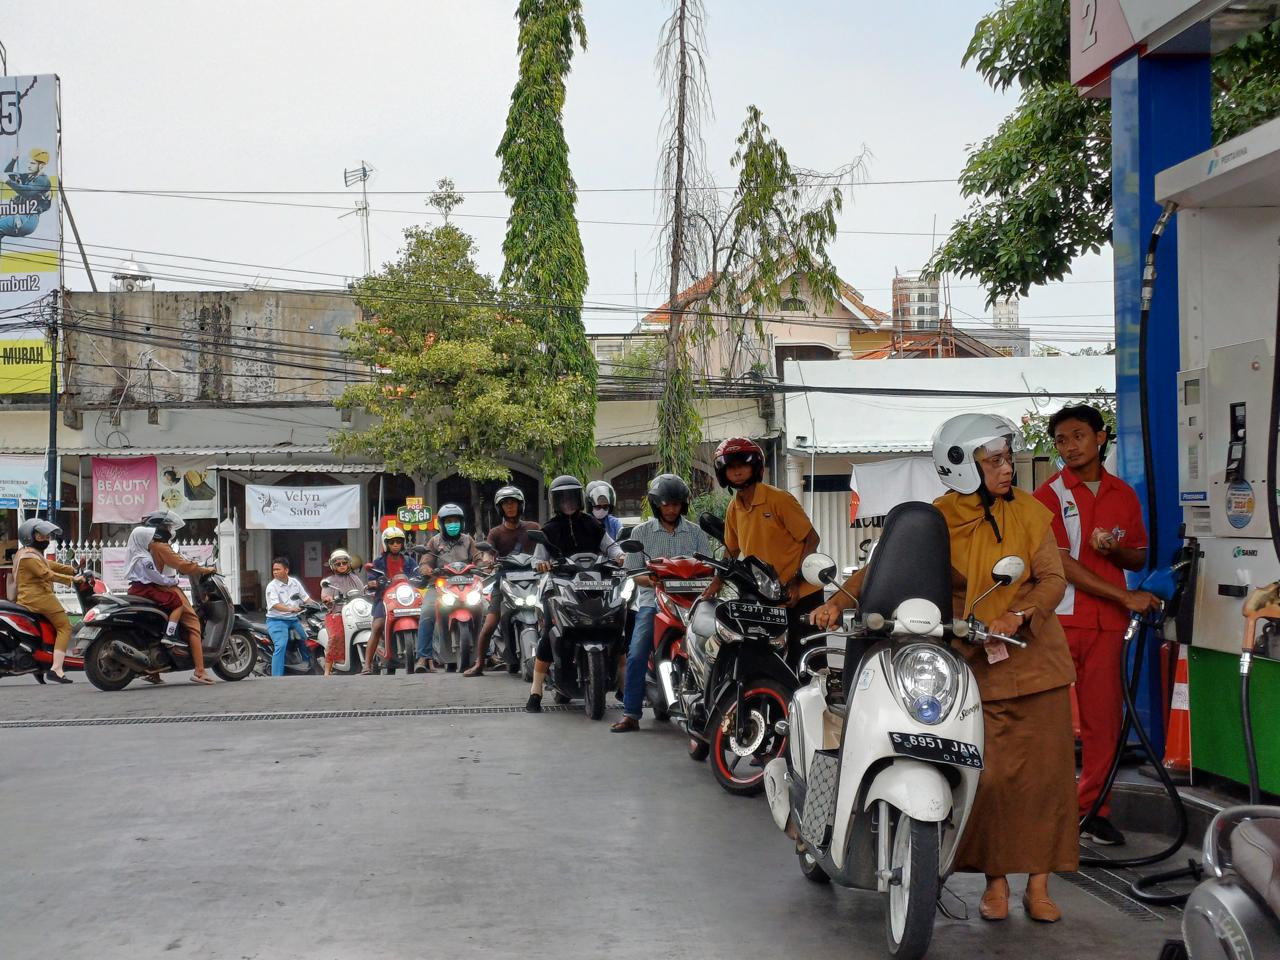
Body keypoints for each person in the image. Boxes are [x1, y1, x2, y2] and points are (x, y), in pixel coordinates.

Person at [812, 413, 1078, 923]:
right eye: (994, 460)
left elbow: (1052, 580)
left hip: (1036, 661)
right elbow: (881, 565)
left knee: (1048, 780)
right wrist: (839, 598)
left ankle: (1040, 884)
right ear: (961, 466)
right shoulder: (934, 518)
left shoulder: (1031, 513)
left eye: (1008, 459)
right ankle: (997, 883)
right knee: (989, 779)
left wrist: (1021, 614)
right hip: (970, 661)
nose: (1007, 469)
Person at [1034, 404, 1159, 847]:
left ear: (1100, 437)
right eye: (1062, 440)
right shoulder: (1049, 495)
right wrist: (1126, 595)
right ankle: (1046, 813)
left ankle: (1094, 810)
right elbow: (1058, 562)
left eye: (1078, 436)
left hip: (1107, 625)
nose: (1070, 447)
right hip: (1059, 624)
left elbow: (1138, 555)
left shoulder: (1123, 494)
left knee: (1104, 723)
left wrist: (1112, 550)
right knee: (1048, 724)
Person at [701, 437, 822, 653]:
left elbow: (811, 538)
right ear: (723, 473)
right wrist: (716, 582)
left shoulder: (778, 500)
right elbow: (731, 551)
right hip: (767, 595)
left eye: (743, 465)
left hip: (801, 592)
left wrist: (796, 580)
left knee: (806, 660)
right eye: (731, 467)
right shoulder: (733, 509)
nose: (737, 472)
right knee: (769, 657)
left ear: (754, 467)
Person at [611, 474, 710, 732]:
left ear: (683, 505)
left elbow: (709, 568)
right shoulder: (641, 532)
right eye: (666, 504)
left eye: (676, 504)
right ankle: (631, 713)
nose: (671, 509)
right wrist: (654, 581)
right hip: (653, 603)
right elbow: (634, 572)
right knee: (637, 652)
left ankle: (713, 709)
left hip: (693, 604)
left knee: (712, 649)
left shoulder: (696, 533)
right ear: (657, 505)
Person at [525, 475, 625, 713]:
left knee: (617, 629)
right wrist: (541, 565)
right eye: (563, 498)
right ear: (555, 501)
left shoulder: (592, 524)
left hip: (595, 584)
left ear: (579, 499)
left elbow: (610, 546)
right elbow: (537, 558)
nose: (568, 502)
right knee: (550, 630)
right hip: (560, 585)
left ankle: (624, 685)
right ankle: (536, 691)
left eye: (572, 497)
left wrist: (620, 556)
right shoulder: (548, 530)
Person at [464, 485, 541, 678]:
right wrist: (488, 563)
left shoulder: (533, 528)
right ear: (500, 508)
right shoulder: (496, 533)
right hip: (505, 581)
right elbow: (488, 553)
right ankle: (480, 663)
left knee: (553, 615)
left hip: (534, 580)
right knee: (489, 624)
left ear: (520, 505)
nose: (510, 507)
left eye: (513, 503)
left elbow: (546, 547)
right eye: (506, 504)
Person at [138, 510, 218, 684]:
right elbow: (181, 564)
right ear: (159, 529)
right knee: (193, 623)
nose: (170, 530)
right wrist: (205, 569)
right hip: (166, 588)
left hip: (151, 587)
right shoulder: (161, 546)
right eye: (167, 526)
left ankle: (154, 671)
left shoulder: (148, 546)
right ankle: (200, 671)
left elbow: (177, 563)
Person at [412, 503, 483, 672]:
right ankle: (423, 657)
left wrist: (482, 566)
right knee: (427, 612)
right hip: (440, 585)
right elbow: (425, 563)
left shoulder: (468, 540)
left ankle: (487, 653)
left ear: (462, 522)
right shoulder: (434, 541)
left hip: (467, 584)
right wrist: (427, 569)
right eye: (449, 521)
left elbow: (478, 559)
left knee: (486, 609)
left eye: (456, 520)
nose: (453, 524)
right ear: (441, 524)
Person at [10, 518, 81, 683]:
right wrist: (72, 580)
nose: (46, 540)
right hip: (38, 598)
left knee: (50, 628)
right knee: (65, 626)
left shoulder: (28, 553)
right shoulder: (29, 557)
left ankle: (43, 663)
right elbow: (46, 574)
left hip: (33, 597)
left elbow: (50, 565)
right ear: (30, 537)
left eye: (47, 536)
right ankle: (56, 669)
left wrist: (73, 569)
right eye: (41, 536)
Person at [123, 525, 190, 682]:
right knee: (177, 602)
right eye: (150, 538)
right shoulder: (145, 558)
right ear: (143, 540)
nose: (152, 540)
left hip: (135, 589)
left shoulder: (134, 554)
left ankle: (154, 670)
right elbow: (157, 578)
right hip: (146, 589)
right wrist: (173, 581)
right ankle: (170, 635)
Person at [361, 526, 419, 675]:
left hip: (406, 598)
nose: (395, 545)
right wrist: (374, 583)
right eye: (392, 542)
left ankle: (427, 660)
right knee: (378, 625)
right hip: (384, 598)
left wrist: (421, 578)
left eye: (398, 542)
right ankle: (366, 664)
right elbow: (371, 578)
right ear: (386, 544)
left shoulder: (409, 561)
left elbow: (417, 574)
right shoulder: (379, 562)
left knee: (423, 619)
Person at [264, 557, 311, 676]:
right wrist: (290, 609)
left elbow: (306, 598)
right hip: (276, 621)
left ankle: (307, 666)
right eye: (274, 569)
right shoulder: (272, 586)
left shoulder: (294, 582)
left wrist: (318, 605)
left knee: (307, 640)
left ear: (286, 570)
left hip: (293, 620)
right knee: (281, 645)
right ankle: (277, 676)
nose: (275, 572)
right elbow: (275, 605)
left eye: (278, 569)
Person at [320, 548, 364, 676]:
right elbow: (325, 594)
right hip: (336, 613)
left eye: (344, 563)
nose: (342, 566)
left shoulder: (355, 578)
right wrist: (327, 599)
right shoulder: (329, 581)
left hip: (354, 612)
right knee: (336, 637)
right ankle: (327, 669)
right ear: (333, 566)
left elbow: (363, 590)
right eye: (338, 564)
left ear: (348, 564)